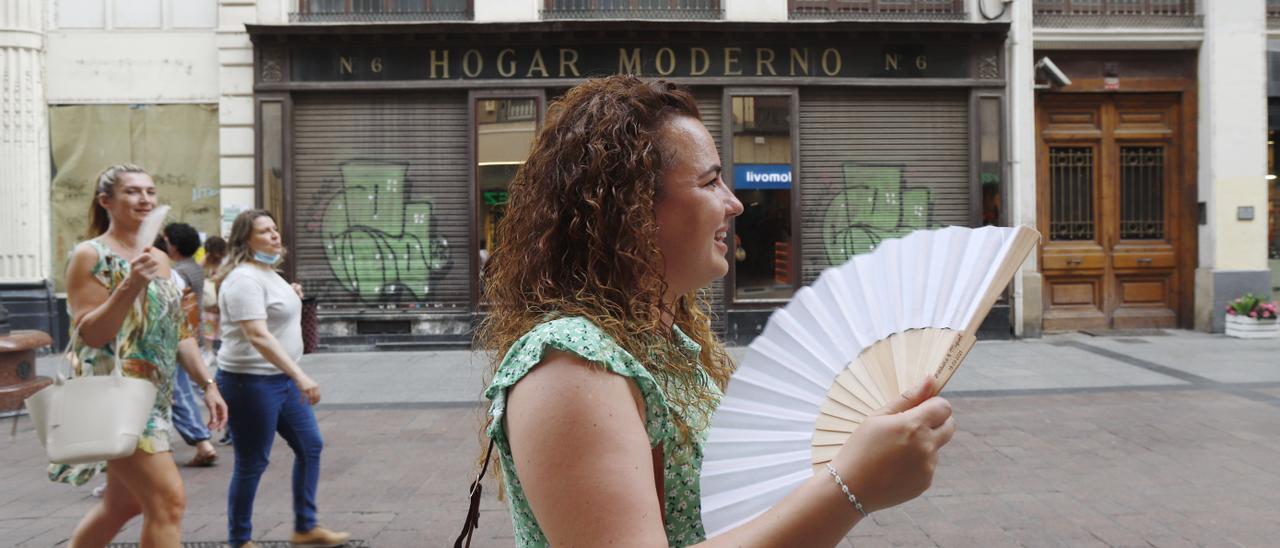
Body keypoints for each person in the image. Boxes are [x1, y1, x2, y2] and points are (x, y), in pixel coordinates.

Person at [476, 76, 955, 547]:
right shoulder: (570, 364)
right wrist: (851, 487)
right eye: (710, 182)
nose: (735, 203)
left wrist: (856, 450)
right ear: (633, 209)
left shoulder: (669, 341)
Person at [59, 163, 228, 546]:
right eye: (133, 191)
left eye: (150, 192)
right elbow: (92, 332)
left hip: (154, 396)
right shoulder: (90, 255)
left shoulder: (161, 258)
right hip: (115, 395)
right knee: (168, 502)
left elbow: (179, 331)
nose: (145, 199)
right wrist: (132, 282)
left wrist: (208, 384)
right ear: (106, 201)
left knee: (124, 505)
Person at [214, 209, 349, 548]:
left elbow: (273, 317)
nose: (275, 235)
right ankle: (239, 540)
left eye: (275, 228)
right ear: (246, 239)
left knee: (310, 445)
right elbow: (257, 336)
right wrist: (300, 375)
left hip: (280, 380)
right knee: (252, 462)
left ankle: (304, 527)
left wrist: (292, 296)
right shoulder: (244, 279)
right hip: (250, 382)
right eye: (264, 231)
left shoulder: (267, 274)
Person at [161, 222, 220, 466]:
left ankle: (201, 440)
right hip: (189, 333)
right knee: (185, 388)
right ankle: (201, 439)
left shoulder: (179, 273)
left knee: (179, 391)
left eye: (166, 241)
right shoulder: (193, 268)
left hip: (177, 336)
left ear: (173, 246)